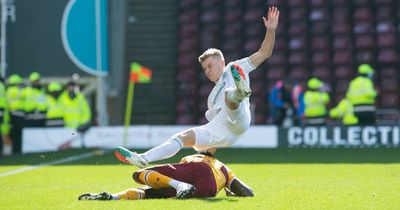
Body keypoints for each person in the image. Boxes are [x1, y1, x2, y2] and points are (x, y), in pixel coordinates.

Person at [115, 6, 279, 168]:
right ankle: (143, 158)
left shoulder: (233, 67)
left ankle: (239, 92)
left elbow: (264, 53)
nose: (207, 71)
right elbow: (215, 133)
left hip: (241, 118)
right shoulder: (212, 98)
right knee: (182, 137)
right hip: (225, 130)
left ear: (221, 62)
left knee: (229, 94)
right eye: (205, 69)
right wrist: (204, 159)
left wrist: (271, 30)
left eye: (210, 66)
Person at [78, 151, 254, 200]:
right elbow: (248, 192)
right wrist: (231, 192)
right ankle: (113, 197)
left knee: (139, 174)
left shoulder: (196, 157)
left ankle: (178, 185)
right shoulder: (224, 169)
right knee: (151, 193)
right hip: (209, 189)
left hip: (198, 170)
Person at [6, 74, 25, 154]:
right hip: (18, 115)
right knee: (18, 134)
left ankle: (12, 150)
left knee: (12, 134)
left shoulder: (7, 91)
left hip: (11, 115)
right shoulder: (19, 91)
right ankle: (17, 150)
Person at [0, 77, 11, 156]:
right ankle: (7, 152)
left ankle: (6, 152)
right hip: (4, 114)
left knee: (4, 134)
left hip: (2, 113)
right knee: (4, 134)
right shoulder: (2, 86)